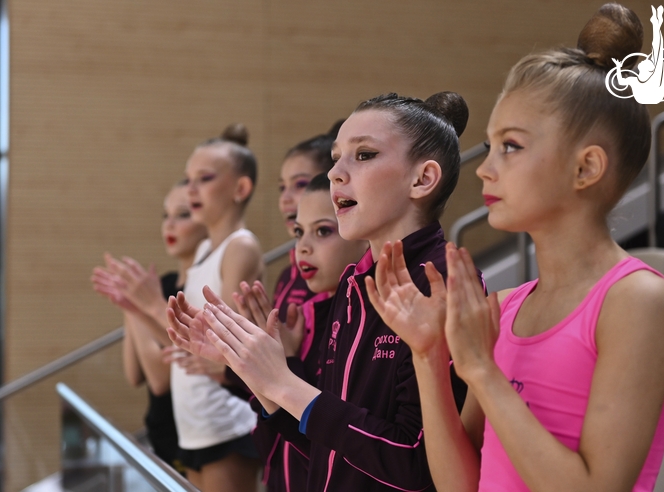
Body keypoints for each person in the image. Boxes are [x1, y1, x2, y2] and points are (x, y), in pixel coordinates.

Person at [366, 5, 664, 491]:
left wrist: (482, 372)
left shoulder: (638, 302)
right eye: (491, 146)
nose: (484, 169)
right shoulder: (507, 306)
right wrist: (429, 356)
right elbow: (461, 485)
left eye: (511, 146)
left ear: (586, 168)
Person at [168, 91, 473, 491]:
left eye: (363, 155)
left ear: (422, 179)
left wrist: (282, 381)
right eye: (335, 158)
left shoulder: (443, 287)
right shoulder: (352, 286)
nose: (334, 174)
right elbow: (331, 446)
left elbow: (417, 465)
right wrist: (252, 369)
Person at [235, 174, 368, 491]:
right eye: (299, 232)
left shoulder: (359, 316)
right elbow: (275, 430)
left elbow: (330, 440)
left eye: (323, 231)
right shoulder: (305, 311)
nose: (301, 248)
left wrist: (287, 361)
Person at [167, 123, 264, 492]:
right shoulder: (204, 250)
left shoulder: (240, 246)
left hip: (228, 418)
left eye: (204, 178)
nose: (191, 189)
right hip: (197, 421)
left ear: (240, 189)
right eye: (188, 179)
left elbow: (231, 337)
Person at [91, 183, 207, 470]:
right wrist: (130, 307)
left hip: (194, 430)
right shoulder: (162, 285)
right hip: (161, 429)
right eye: (165, 215)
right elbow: (134, 375)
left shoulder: (203, 290)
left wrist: (139, 306)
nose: (169, 224)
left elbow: (160, 380)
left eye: (182, 215)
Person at [273, 122, 345, 320]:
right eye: (282, 187)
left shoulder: (336, 276)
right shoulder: (288, 275)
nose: (285, 198)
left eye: (301, 184)